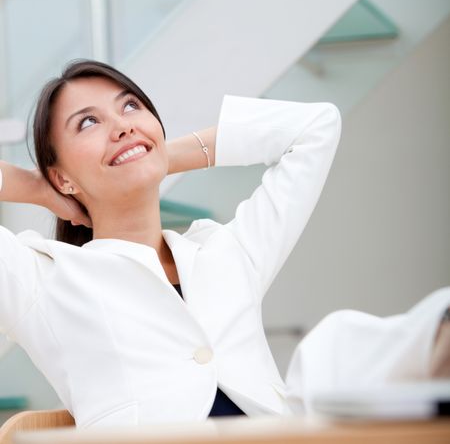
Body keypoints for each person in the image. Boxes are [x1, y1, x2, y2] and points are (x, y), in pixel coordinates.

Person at [0, 59, 448, 429]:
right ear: (61, 175)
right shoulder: (42, 277)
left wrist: (153, 154)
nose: (121, 126)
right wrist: (40, 188)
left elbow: (316, 126)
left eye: (131, 107)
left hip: (281, 435)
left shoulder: (224, 252)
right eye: (90, 122)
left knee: (336, 344)